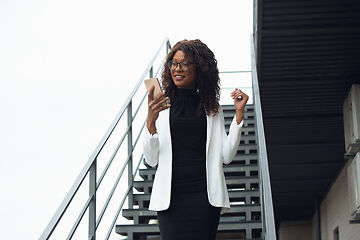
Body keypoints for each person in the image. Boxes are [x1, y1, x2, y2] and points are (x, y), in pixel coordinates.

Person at [143, 39, 249, 240]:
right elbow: (151, 159)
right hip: (170, 199)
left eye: (184, 63)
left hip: (204, 197)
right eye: (173, 63)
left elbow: (226, 156)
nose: (177, 68)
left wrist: (239, 115)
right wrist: (151, 122)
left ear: (199, 68)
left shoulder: (212, 108)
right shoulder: (161, 107)